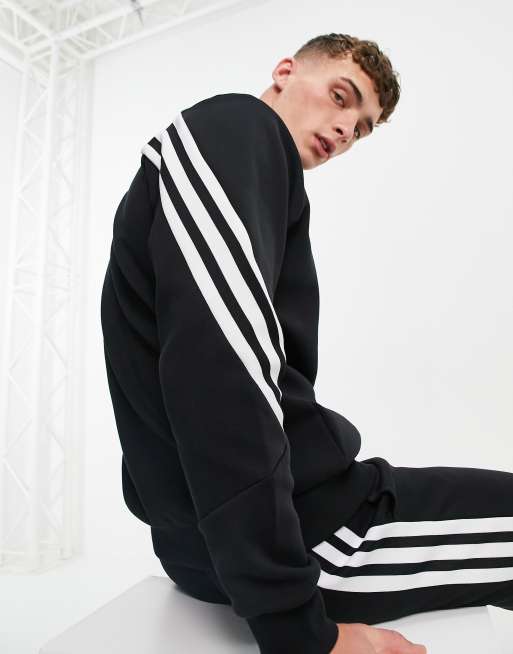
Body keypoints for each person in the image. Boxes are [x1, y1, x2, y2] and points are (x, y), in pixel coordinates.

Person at [100, 32, 513, 654]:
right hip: (314, 536)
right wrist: (295, 627)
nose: (346, 130)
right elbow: (223, 373)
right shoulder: (236, 127)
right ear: (286, 71)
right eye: (341, 97)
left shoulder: (253, 171)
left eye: (362, 128)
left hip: (235, 536)